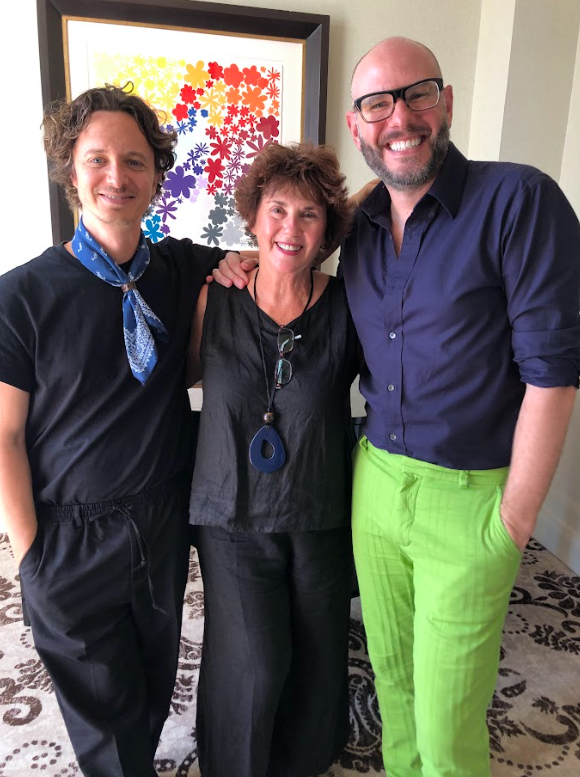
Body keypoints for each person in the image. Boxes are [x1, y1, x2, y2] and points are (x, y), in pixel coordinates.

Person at [213, 37, 580, 777]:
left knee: (449, 725)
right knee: (395, 686)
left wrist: (514, 519)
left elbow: (555, 372)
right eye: (377, 103)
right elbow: (291, 237)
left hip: (473, 496)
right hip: (375, 485)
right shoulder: (361, 224)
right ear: (357, 125)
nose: (399, 117)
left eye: (416, 94)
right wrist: (246, 256)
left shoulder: (519, 199)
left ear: (444, 101)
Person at [0, 84, 237, 777]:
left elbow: (270, 251)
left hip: (161, 517)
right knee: (100, 708)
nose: (116, 177)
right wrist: (30, 555)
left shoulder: (178, 268)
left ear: (157, 176)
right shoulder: (21, 296)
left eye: (134, 161)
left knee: (153, 681)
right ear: (70, 170)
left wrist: (241, 265)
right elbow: (4, 435)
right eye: (97, 158)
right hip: (69, 533)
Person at [188, 142, 359, 777]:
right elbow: (173, 379)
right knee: (256, 660)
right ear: (254, 217)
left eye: (310, 215)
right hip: (230, 514)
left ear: (327, 230)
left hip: (319, 510)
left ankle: (305, 762)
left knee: (317, 653)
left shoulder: (346, 305)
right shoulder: (217, 296)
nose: (291, 228)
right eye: (278, 210)